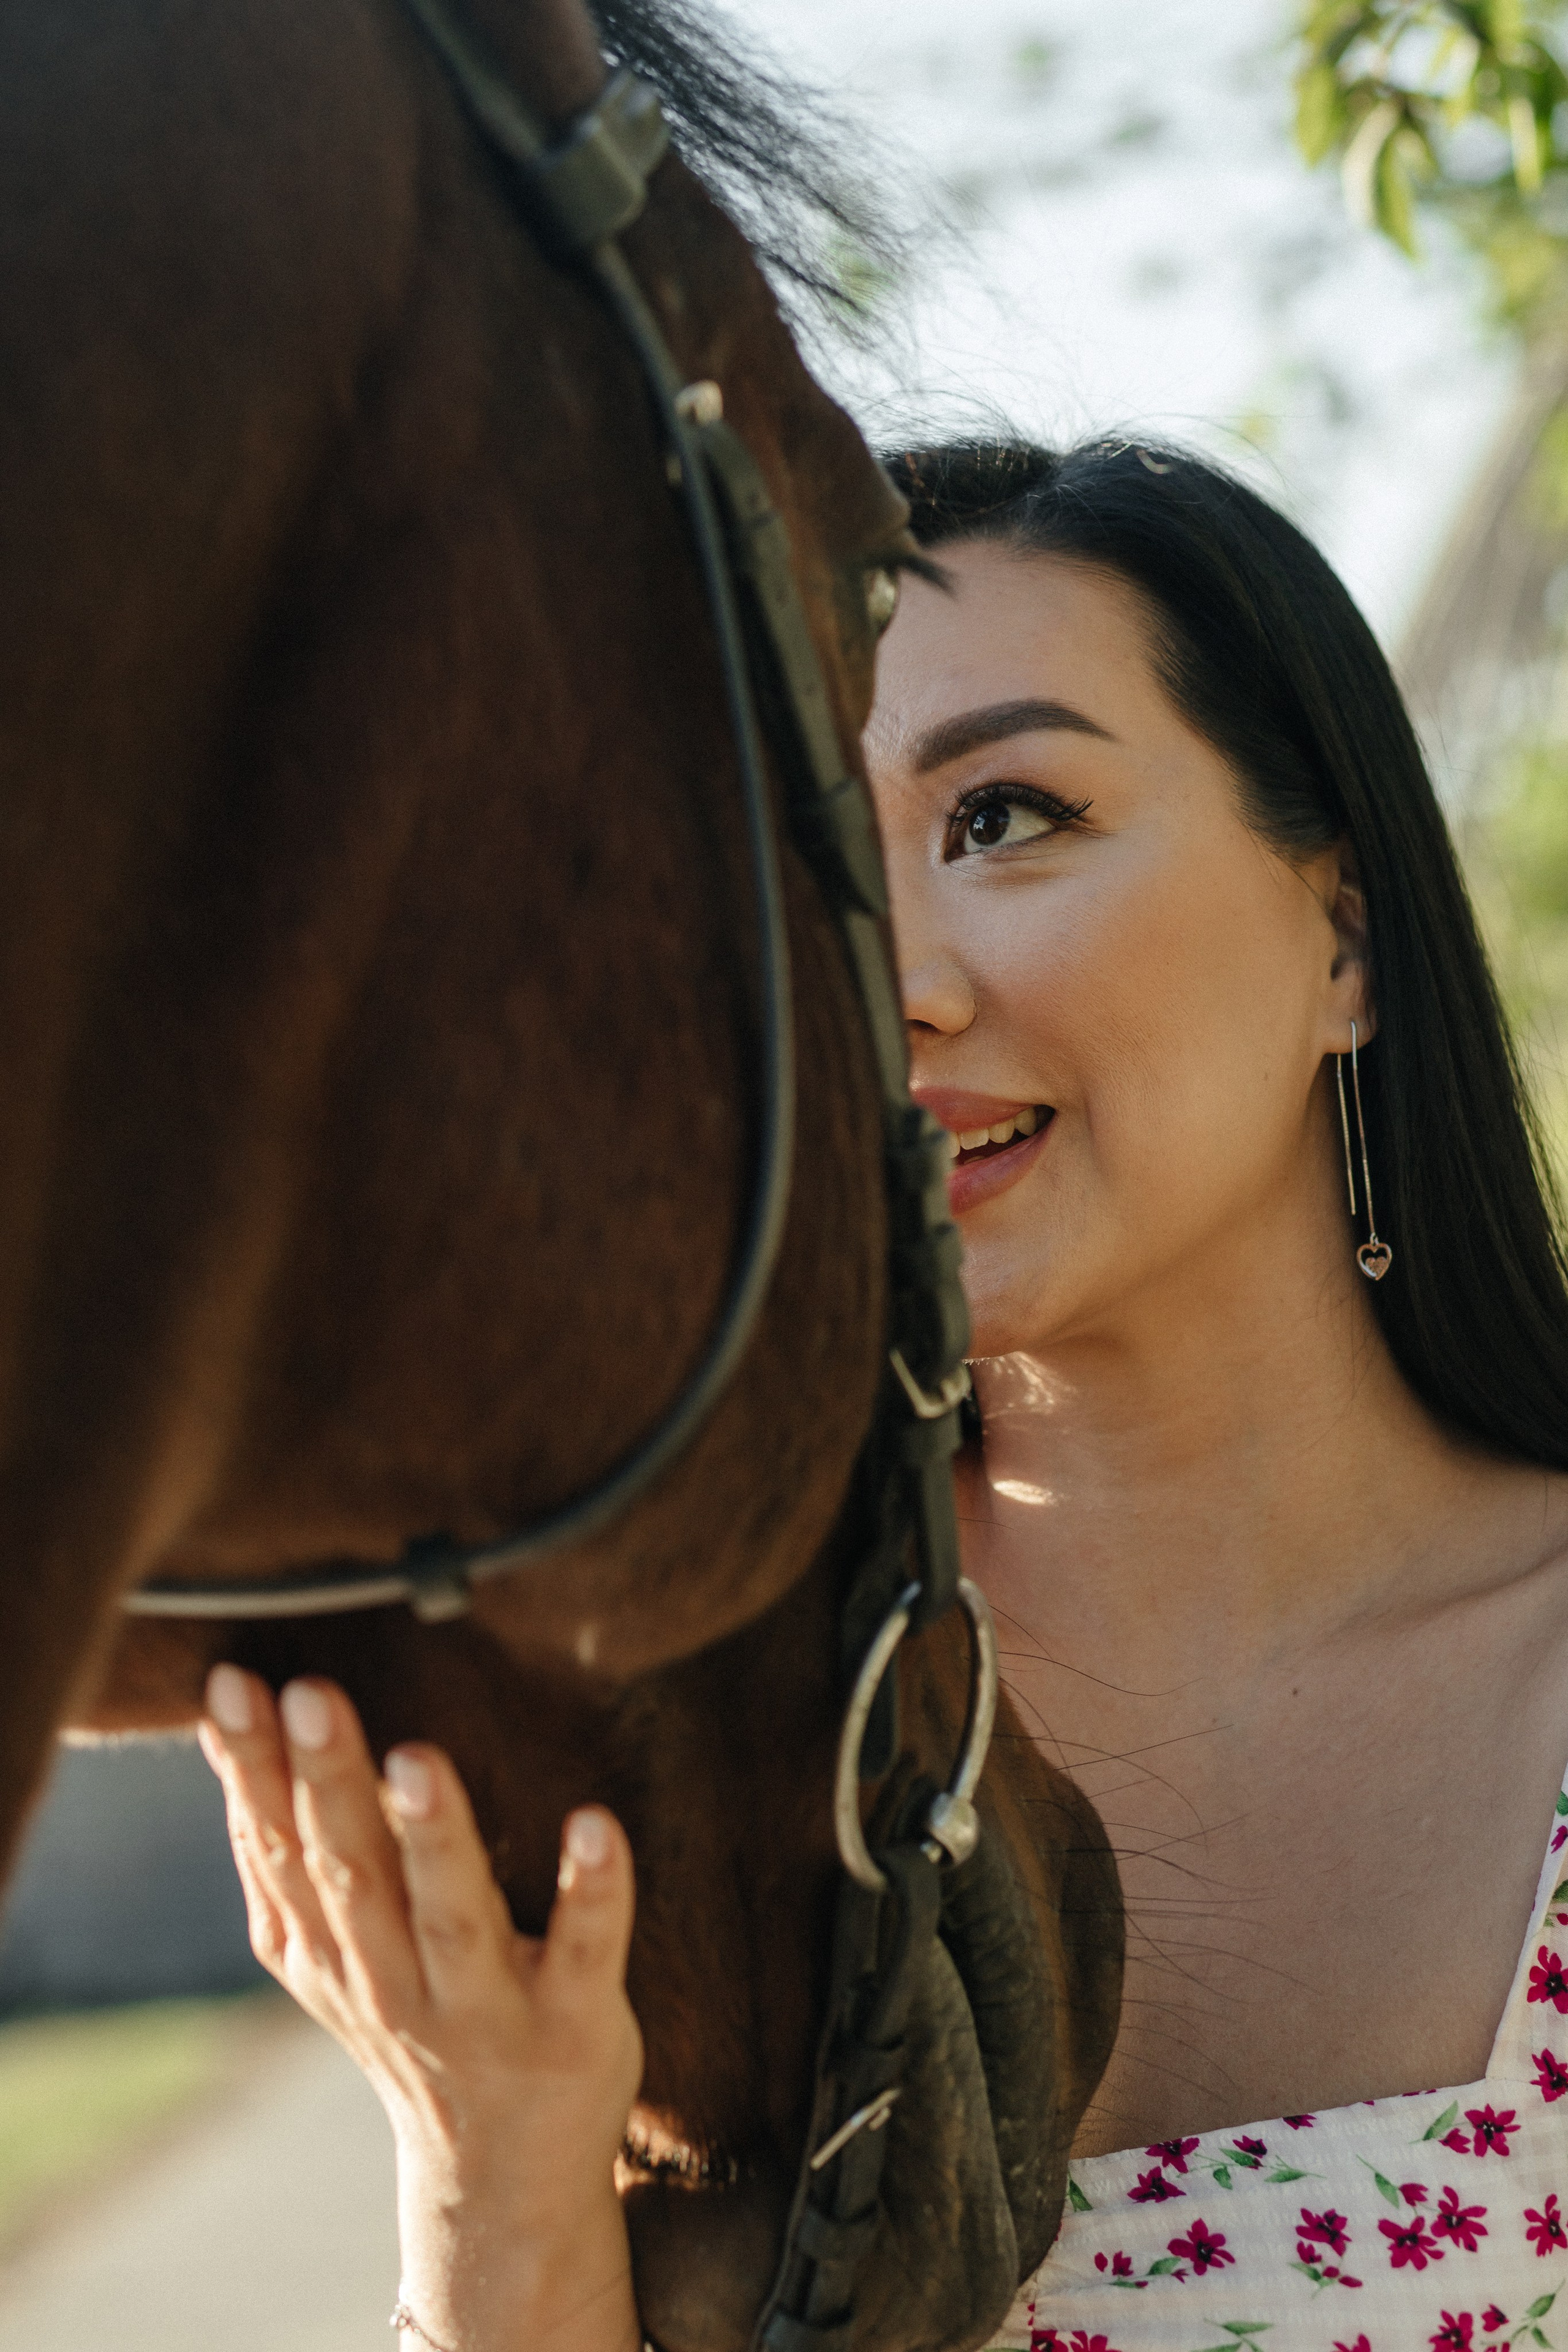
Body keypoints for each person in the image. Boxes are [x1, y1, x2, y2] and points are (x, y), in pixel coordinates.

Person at [200, 438, 1568, 2350]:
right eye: (806, 865)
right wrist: (483, 2167)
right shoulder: (731, 1717)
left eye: (1006, 815)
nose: (891, 980)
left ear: (1344, 931)